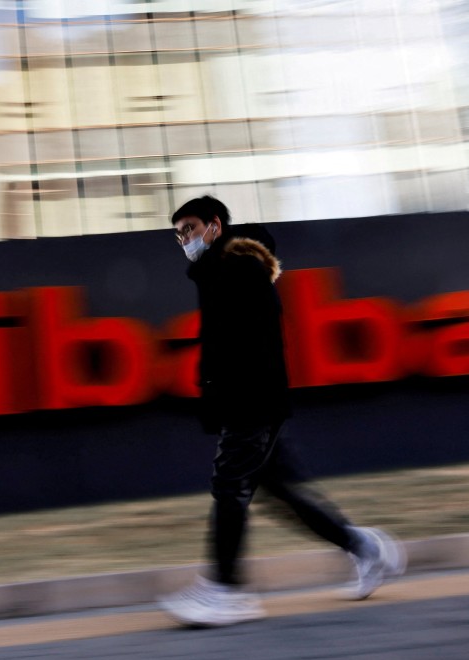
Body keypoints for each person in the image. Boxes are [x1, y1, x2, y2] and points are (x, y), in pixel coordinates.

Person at [159, 195, 406, 628]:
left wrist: (241, 398)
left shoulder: (238, 268)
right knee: (281, 492)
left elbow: (256, 342)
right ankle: (364, 547)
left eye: (191, 229)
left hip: (252, 401)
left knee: (229, 486)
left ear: (214, 226)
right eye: (179, 234)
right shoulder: (218, 271)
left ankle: (226, 590)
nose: (185, 240)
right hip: (249, 401)